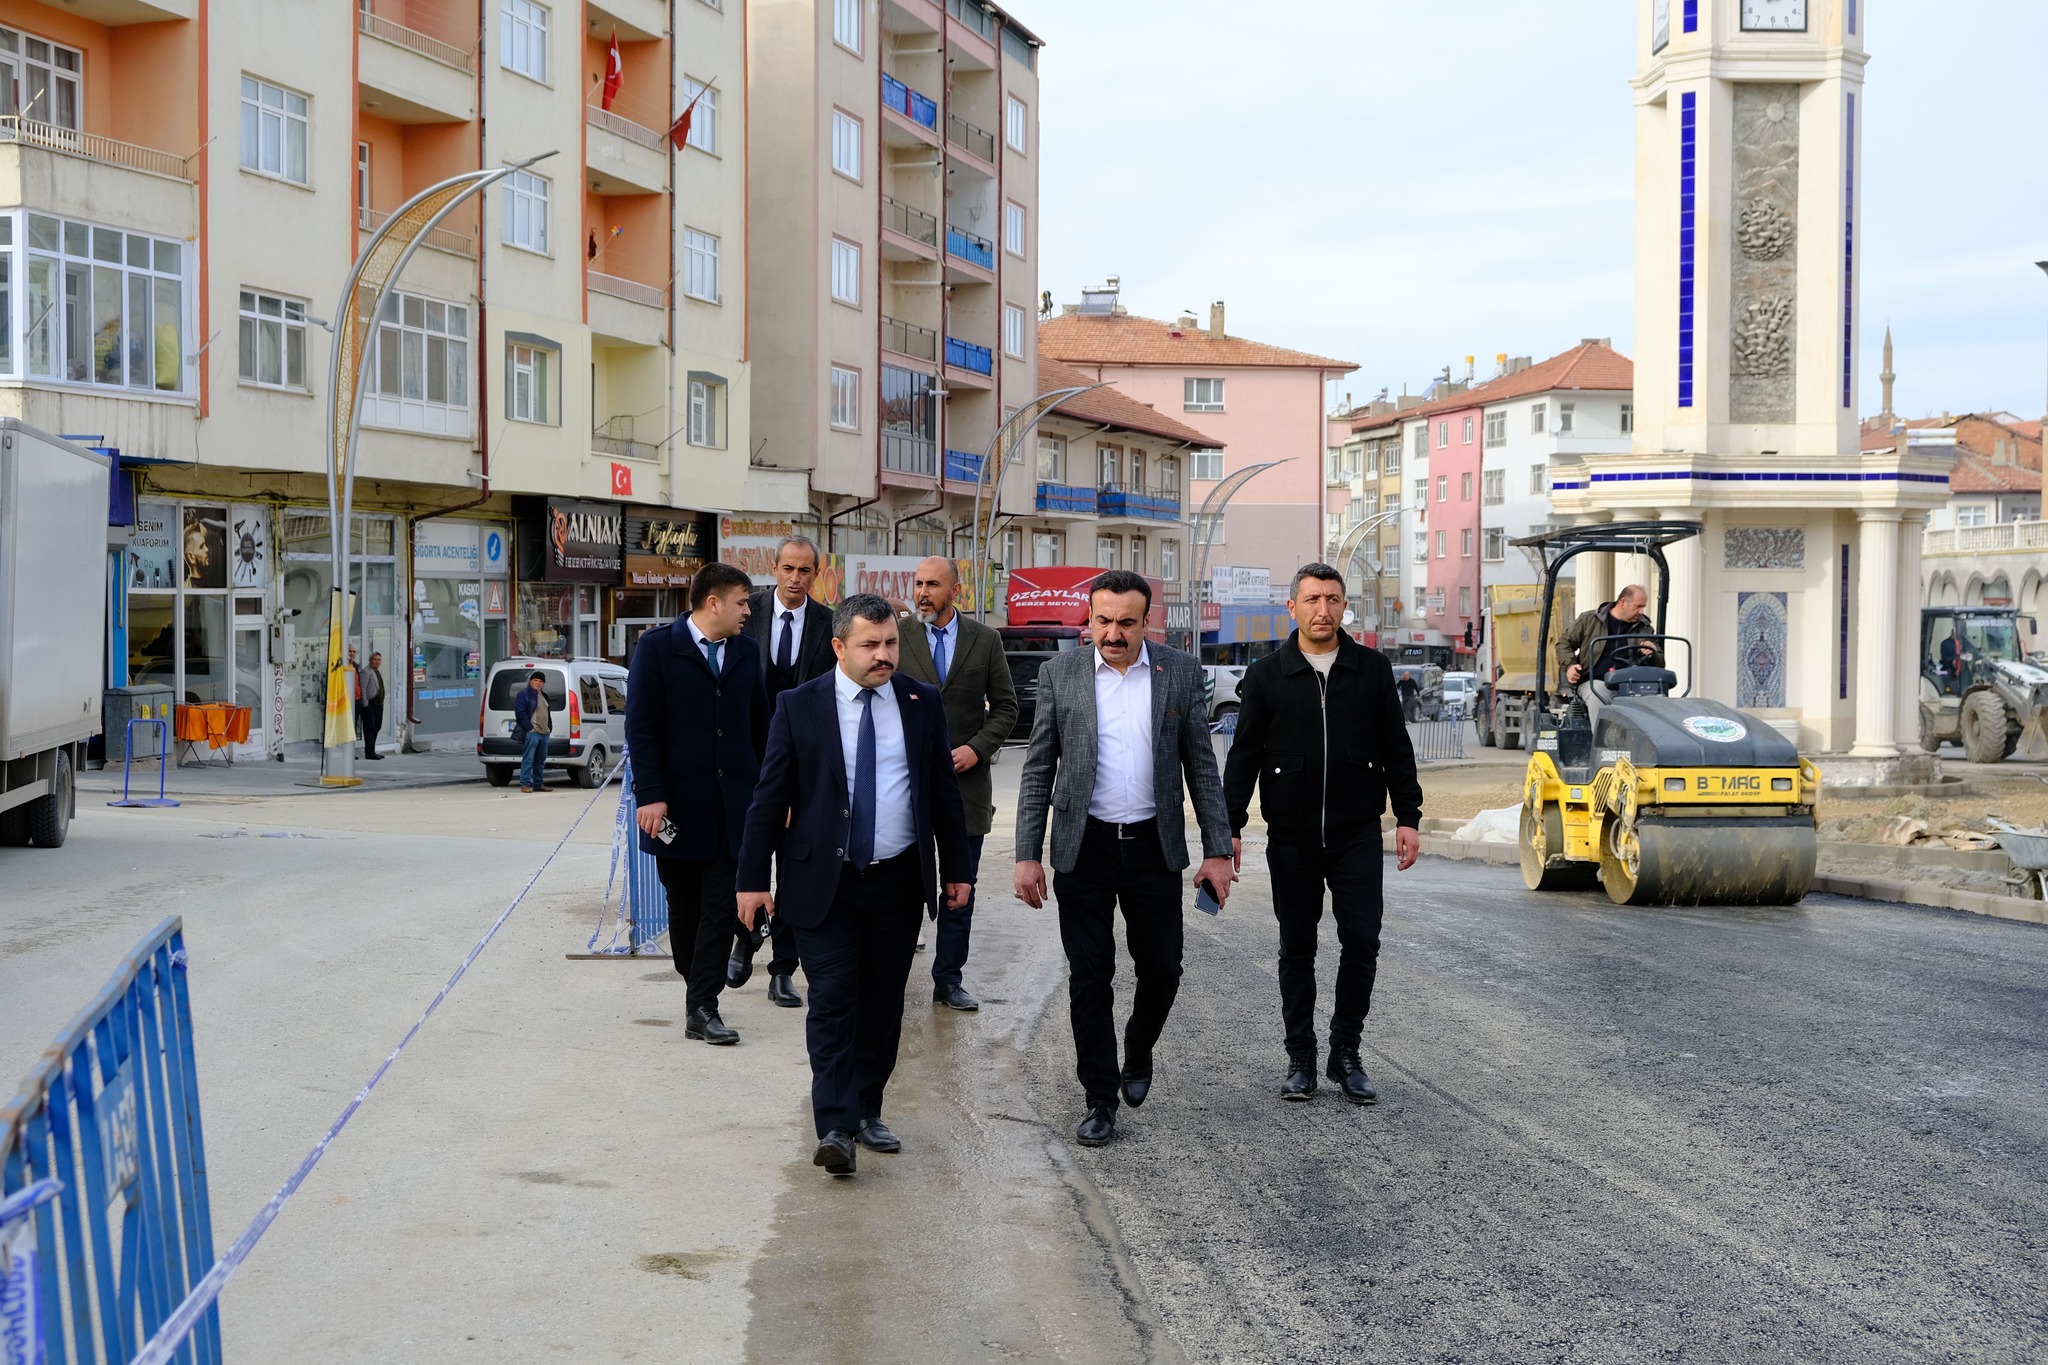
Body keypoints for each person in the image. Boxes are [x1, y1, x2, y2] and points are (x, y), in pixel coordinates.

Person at [736, 594, 975, 1176]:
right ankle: (836, 1126)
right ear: (840, 647)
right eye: (870, 645)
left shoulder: (922, 704)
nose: (884, 655)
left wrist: (959, 870)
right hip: (824, 882)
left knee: (882, 1003)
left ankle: (869, 1108)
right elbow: (769, 799)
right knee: (835, 1000)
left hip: (897, 881)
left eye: (890, 642)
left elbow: (944, 794)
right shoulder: (798, 706)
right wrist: (751, 881)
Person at [1013, 570, 1236, 1149]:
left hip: (1152, 848)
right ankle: (1099, 1098)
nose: (1113, 633)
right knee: (1091, 977)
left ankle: (1138, 1048)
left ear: (1146, 621)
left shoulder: (1179, 672)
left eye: (1126, 622)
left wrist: (1217, 849)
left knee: (1162, 969)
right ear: (1087, 620)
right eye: (1102, 621)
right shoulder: (1059, 673)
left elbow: (1201, 768)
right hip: (1081, 848)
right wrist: (1026, 855)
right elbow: (1038, 769)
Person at [1222, 564, 1424, 1105]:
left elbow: (1396, 748)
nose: (1323, 610)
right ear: (1292, 607)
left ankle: (1347, 1052)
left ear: (1343, 607)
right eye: (1312, 599)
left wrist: (1408, 816)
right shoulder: (1267, 676)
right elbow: (1243, 758)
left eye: (1333, 600)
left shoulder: (1372, 670)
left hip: (1358, 832)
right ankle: (1301, 1058)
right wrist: (1231, 829)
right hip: (1291, 835)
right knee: (1297, 946)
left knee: (1362, 941)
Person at [624, 562, 769, 1046]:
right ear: (714, 603)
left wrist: (774, 794)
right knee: (682, 910)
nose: (748, 611)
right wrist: (651, 794)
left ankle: (703, 1007)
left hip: (736, 807)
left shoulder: (747, 653)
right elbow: (640, 728)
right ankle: (698, 991)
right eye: (742, 602)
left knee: (719, 906)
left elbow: (762, 730)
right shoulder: (657, 648)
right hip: (676, 810)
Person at [896, 556, 1020, 1012]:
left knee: (957, 890)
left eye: (933, 584)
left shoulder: (985, 641)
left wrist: (977, 748)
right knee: (904, 886)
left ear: (956, 591)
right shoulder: (899, 636)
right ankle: (891, 977)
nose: (923, 592)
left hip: (966, 789)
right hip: (905, 785)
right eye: (918, 583)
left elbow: (1007, 708)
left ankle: (948, 980)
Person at [731, 534, 836, 1008]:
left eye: (805, 571)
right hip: (749, 759)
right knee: (745, 857)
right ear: (774, 568)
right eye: (788, 569)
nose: (795, 579)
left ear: (817, 574)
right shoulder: (745, 612)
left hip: (804, 765)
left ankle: (782, 969)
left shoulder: (829, 624)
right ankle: (744, 940)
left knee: (795, 871)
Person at [1560, 583, 1664, 725]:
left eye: (1643, 607)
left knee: (1656, 699)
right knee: (1599, 692)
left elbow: (1660, 664)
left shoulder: (1645, 629)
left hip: (1632, 685)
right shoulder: (1589, 620)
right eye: (1638, 606)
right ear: (1622, 602)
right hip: (1595, 682)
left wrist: (1652, 652)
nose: (1641, 611)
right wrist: (1570, 666)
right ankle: (1604, 744)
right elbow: (1564, 644)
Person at [511, 671, 551, 793]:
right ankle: (525, 784)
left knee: (540, 760)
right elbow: (520, 713)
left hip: (544, 733)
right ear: (530, 681)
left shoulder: (544, 696)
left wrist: (550, 727)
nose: (538, 683)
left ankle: (539, 784)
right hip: (533, 732)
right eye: (535, 680)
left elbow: (547, 713)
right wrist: (530, 728)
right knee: (528, 758)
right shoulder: (523, 695)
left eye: (540, 681)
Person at [359, 651, 387, 760]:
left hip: (379, 704)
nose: (377, 662)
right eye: (375, 660)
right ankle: (369, 752)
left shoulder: (377, 671)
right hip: (370, 704)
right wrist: (365, 703)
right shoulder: (366, 672)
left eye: (379, 660)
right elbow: (363, 688)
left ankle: (372, 750)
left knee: (377, 726)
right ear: (370, 660)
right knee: (369, 728)